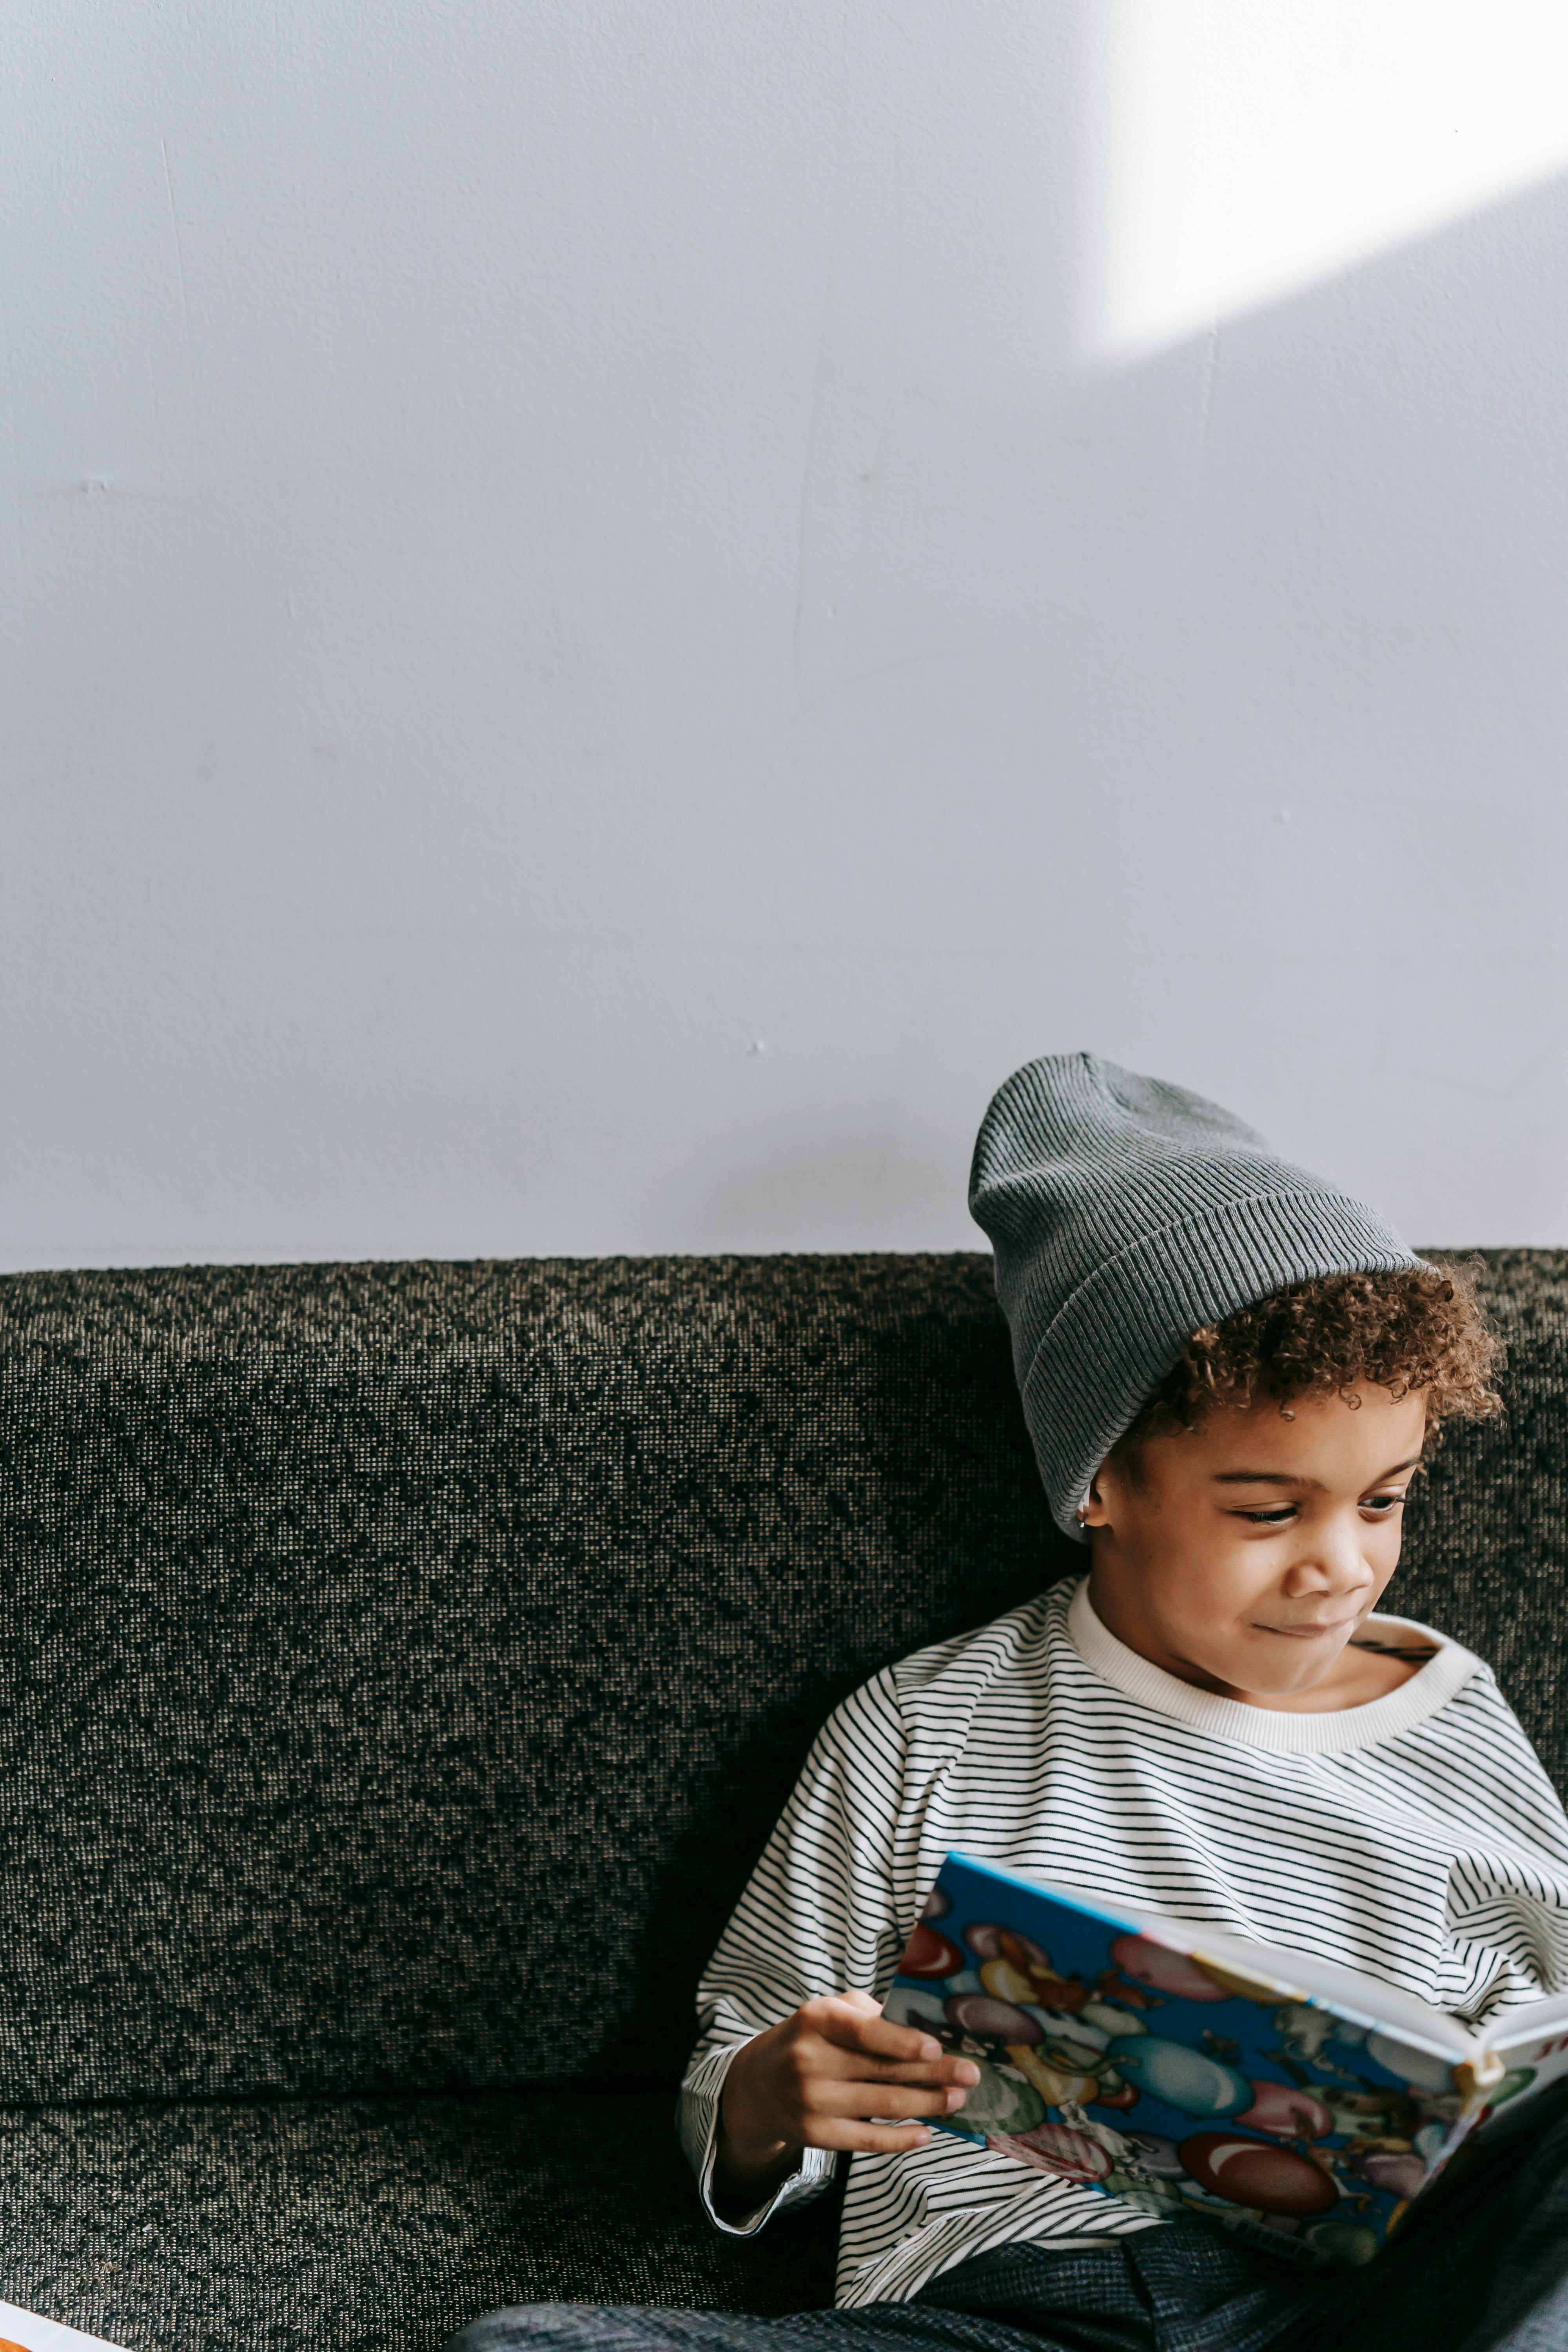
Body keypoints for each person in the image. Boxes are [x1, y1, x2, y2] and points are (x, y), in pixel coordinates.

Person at [445, 1054, 1568, 2352]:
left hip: (1360, 2311)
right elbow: (743, 2066)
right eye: (1269, 1512)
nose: (1342, 1566)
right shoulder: (925, 1726)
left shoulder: (1449, 1714)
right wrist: (772, 2097)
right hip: (1020, 2316)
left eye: (1386, 1499)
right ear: (1101, 1483)